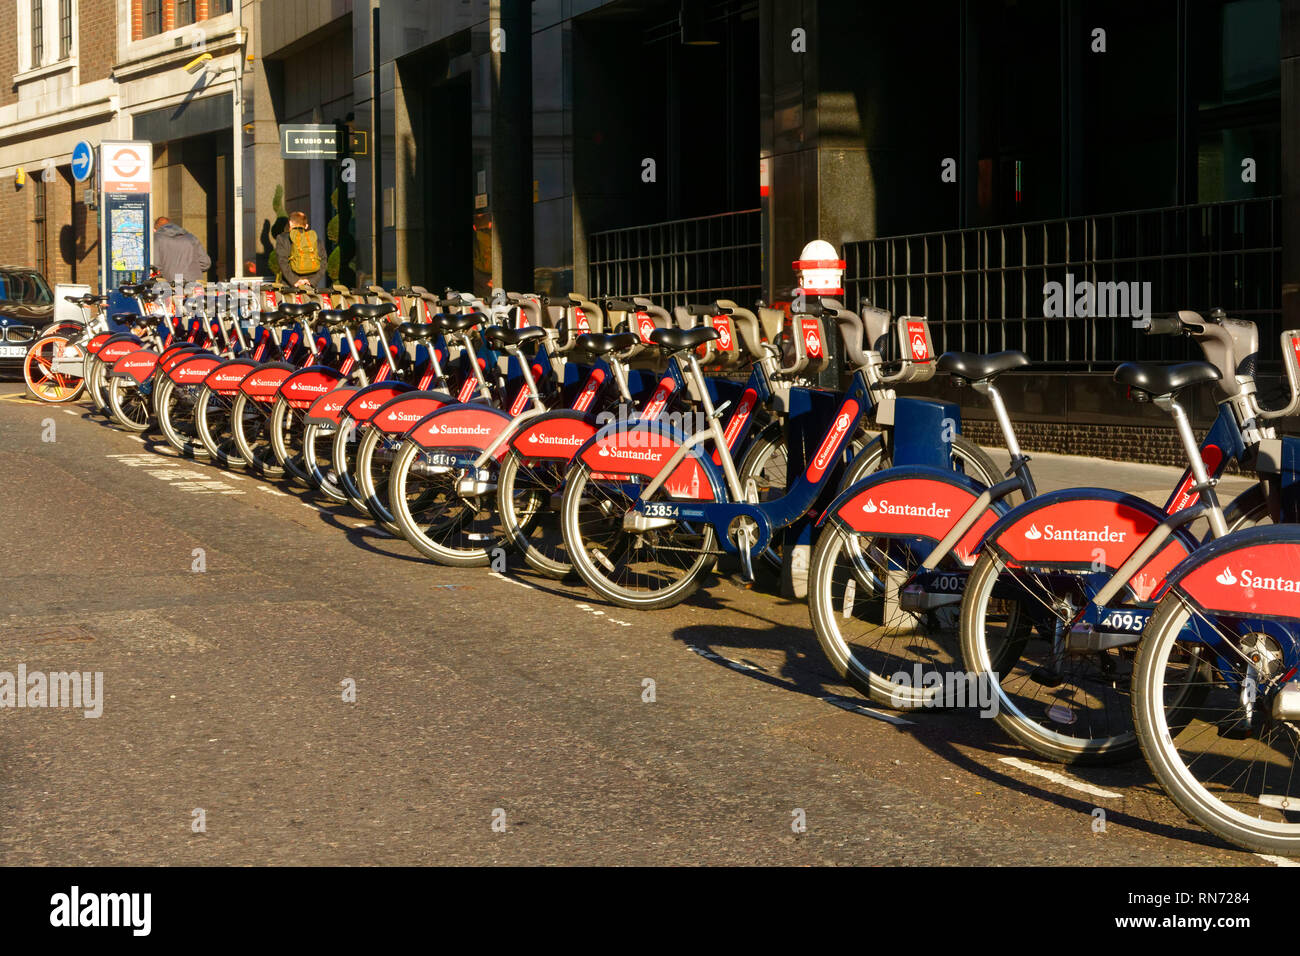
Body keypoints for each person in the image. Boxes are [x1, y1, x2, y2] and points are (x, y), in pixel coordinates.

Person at [276, 210, 328, 290]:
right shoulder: (315, 239)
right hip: (310, 287)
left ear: (290, 223)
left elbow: (282, 261)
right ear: (306, 226)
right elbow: (323, 261)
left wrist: (295, 281)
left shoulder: (282, 238)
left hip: (290, 287)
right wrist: (312, 281)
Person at [152, 216, 211, 284]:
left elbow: (156, 265)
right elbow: (205, 263)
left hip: (170, 283)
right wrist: (191, 270)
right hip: (193, 281)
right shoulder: (191, 237)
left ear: (155, 229)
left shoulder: (156, 239)